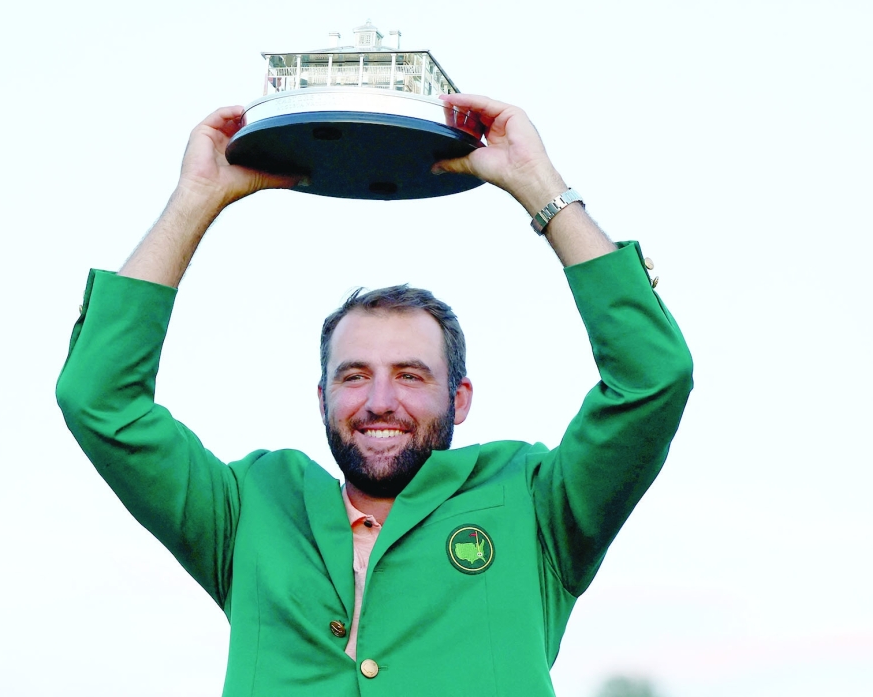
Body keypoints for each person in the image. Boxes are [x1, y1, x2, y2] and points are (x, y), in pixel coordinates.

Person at [56, 93, 693, 696]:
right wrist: (194, 200)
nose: (379, 400)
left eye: (411, 375)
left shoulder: (535, 504)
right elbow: (99, 399)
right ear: (322, 396)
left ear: (460, 398)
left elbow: (651, 379)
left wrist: (539, 186)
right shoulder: (250, 511)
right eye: (354, 375)